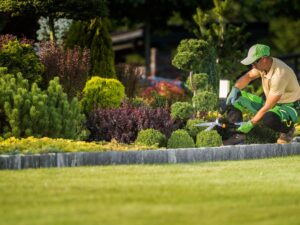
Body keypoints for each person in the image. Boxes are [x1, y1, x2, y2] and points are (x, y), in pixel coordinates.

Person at [225, 43, 300, 144]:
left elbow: (268, 107)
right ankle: (236, 135)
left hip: (288, 107)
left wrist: (251, 123)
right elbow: (248, 76)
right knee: (235, 97)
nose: (253, 66)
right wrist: (235, 89)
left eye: (254, 62)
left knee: (269, 118)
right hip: (271, 103)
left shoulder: (279, 75)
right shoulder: (263, 66)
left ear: (264, 59)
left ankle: (287, 129)